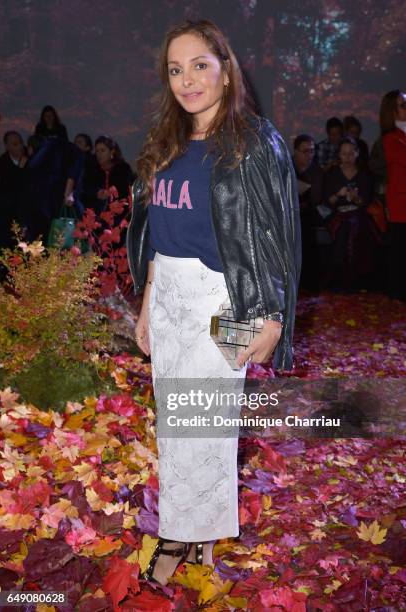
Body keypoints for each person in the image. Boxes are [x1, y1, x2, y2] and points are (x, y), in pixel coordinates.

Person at [126, 19, 301, 585]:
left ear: (226, 70)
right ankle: (201, 539)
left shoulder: (254, 142)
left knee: (206, 423)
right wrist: (148, 304)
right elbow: (156, 235)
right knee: (179, 426)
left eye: (200, 64)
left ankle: (178, 537)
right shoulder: (167, 144)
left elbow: (275, 234)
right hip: (173, 295)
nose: (187, 79)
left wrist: (271, 314)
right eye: (176, 70)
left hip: (223, 298)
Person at [322, 137, 381, 290]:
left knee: (358, 228)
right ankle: (339, 278)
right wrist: (339, 194)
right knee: (344, 228)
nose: (347, 157)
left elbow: (365, 202)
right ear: (339, 155)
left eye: (351, 153)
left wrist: (356, 198)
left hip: (358, 214)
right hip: (338, 215)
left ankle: (360, 278)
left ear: (357, 153)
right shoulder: (332, 174)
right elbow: (328, 202)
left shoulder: (364, 175)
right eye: (344, 154)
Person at [381, 89, 406, 301]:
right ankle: (397, 291)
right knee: (400, 247)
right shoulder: (390, 139)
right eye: (403, 105)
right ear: (392, 111)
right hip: (400, 200)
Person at [292, 134, 323, 290]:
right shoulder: (286, 167)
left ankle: (309, 282)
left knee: (307, 228)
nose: (309, 155)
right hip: (289, 213)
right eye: (305, 151)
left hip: (307, 214)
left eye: (312, 151)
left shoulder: (316, 171)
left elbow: (317, 198)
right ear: (296, 151)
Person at [80, 135, 133, 215]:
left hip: (119, 213)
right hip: (95, 214)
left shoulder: (123, 169)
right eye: (97, 151)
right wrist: (97, 192)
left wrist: (111, 194)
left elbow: (126, 191)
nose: (99, 154)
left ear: (112, 152)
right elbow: (84, 188)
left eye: (102, 150)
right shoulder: (91, 168)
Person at [0, 131, 28, 250]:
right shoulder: (2, 163)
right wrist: (20, 169)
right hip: (7, 213)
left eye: (20, 143)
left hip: (26, 211)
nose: (20, 146)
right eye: (15, 144)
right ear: (7, 146)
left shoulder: (30, 160)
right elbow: (8, 187)